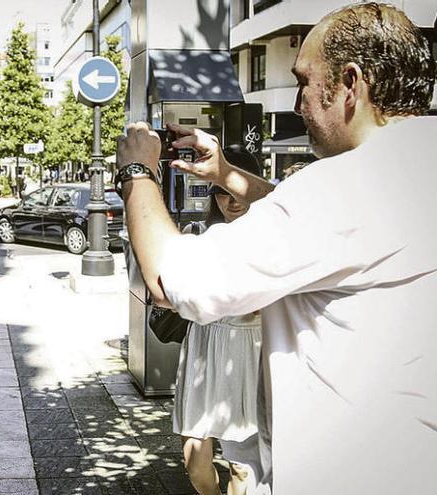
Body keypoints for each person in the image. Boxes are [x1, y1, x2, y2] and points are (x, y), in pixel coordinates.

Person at [117, 4, 437, 493]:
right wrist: (225, 173)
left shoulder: (342, 188)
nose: (296, 104)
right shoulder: (414, 165)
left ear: (350, 84)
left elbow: (171, 278)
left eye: (305, 81)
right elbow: (331, 234)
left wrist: (138, 172)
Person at [171, 146, 263, 495]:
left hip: (248, 351)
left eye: (235, 189)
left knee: (243, 466)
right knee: (194, 461)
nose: (230, 200)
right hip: (204, 350)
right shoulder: (201, 235)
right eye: (220, 192)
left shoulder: (272, 239)